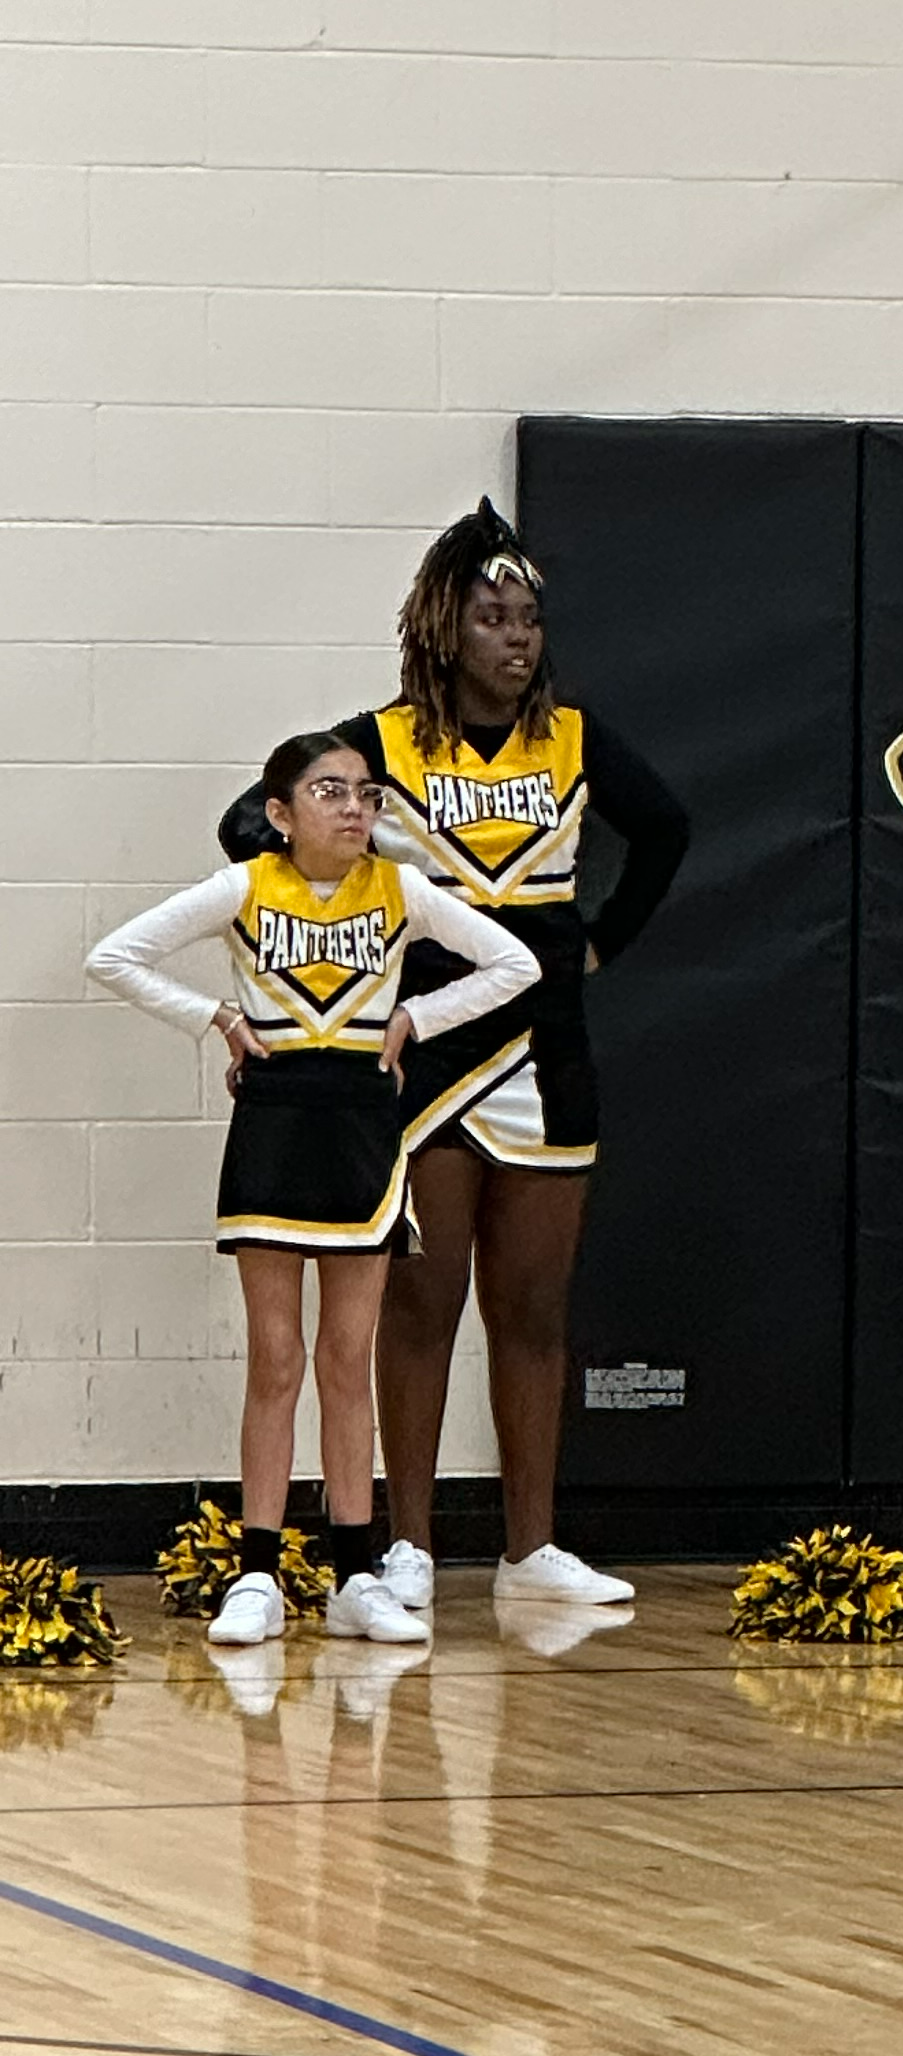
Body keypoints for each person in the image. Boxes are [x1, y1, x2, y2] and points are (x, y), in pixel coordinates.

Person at [219, 502, 690, 1615]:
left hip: (545, 1046)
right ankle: (410, 1547)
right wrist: (341, 932)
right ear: (444, 628)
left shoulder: (571, 737)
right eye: (491, 618)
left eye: (527, 619)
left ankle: (532, 1548)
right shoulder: (378, 748)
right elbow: (251, 824)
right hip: (424, 1047)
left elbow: (666, 826)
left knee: (532, 1307)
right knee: (422, 1305)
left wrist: (600, 944)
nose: (516, 639)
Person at [88, 731, 540, 1648]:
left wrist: (416, 1014)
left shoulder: (401, 889)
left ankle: (353, 1574)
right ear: (281, 811)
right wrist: (214, 1015)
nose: (351, 809)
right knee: (277, 1359)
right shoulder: (247, 886)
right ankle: (257, 1574)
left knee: (346, 1359)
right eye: (329, 792)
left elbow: (516, 965)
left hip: (363, 1129)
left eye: (366, 794)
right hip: (275, 1121)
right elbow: (115, 956)